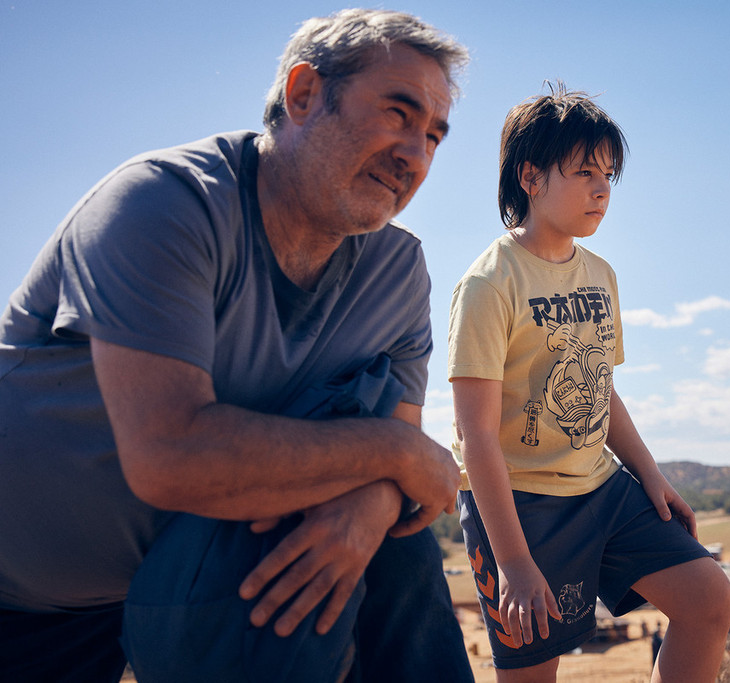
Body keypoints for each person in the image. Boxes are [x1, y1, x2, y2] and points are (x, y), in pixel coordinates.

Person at [0, 9, 472, 682]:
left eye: (433, 136)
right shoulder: (164, 204)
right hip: (21, 599)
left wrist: (374, 500)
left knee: (394, 549)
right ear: (304, 94)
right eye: (398, 114)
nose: (415, 156)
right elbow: (169, 455)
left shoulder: (397, 272)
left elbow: (402, 471)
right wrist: (397, 454)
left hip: (189, 582)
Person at [448, 83, 730, 682]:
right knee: (534, 674)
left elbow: (602, 390)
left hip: (601, 487)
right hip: (519, 505)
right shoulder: (488, 284)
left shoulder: (599, 274)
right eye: (583, 172)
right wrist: (513, 561)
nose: (602, 189)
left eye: (608, 174)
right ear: (530, 176)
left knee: (708, 598)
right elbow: (476, 437)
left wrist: (651, 476)